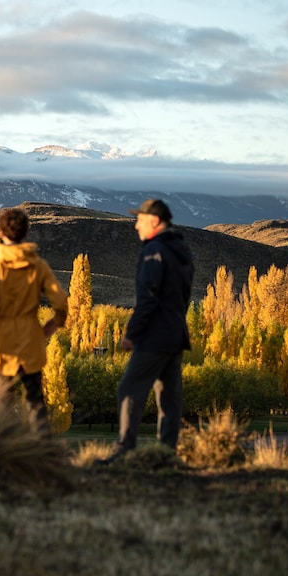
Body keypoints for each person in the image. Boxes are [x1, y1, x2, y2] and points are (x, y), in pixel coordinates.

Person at [102, 198, 194, 464]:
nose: (135, 226)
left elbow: (149, 297)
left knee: (130, 390)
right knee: (169, 396)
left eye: (139, 220)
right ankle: (167, 453)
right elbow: (183, 296)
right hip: (176, 334)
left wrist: (132, 332)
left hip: (154, 335)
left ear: (154, 221)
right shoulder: (182, 250)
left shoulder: (154, 250)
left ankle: (124, 451)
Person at [0, 207, 68, 433]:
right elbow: (60, 301)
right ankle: (43, 455)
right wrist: (52, 325)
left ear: (0, 232)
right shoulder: (38, 266)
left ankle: (1, 454)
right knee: (35, 402)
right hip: (30, 340)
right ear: (25, 233)